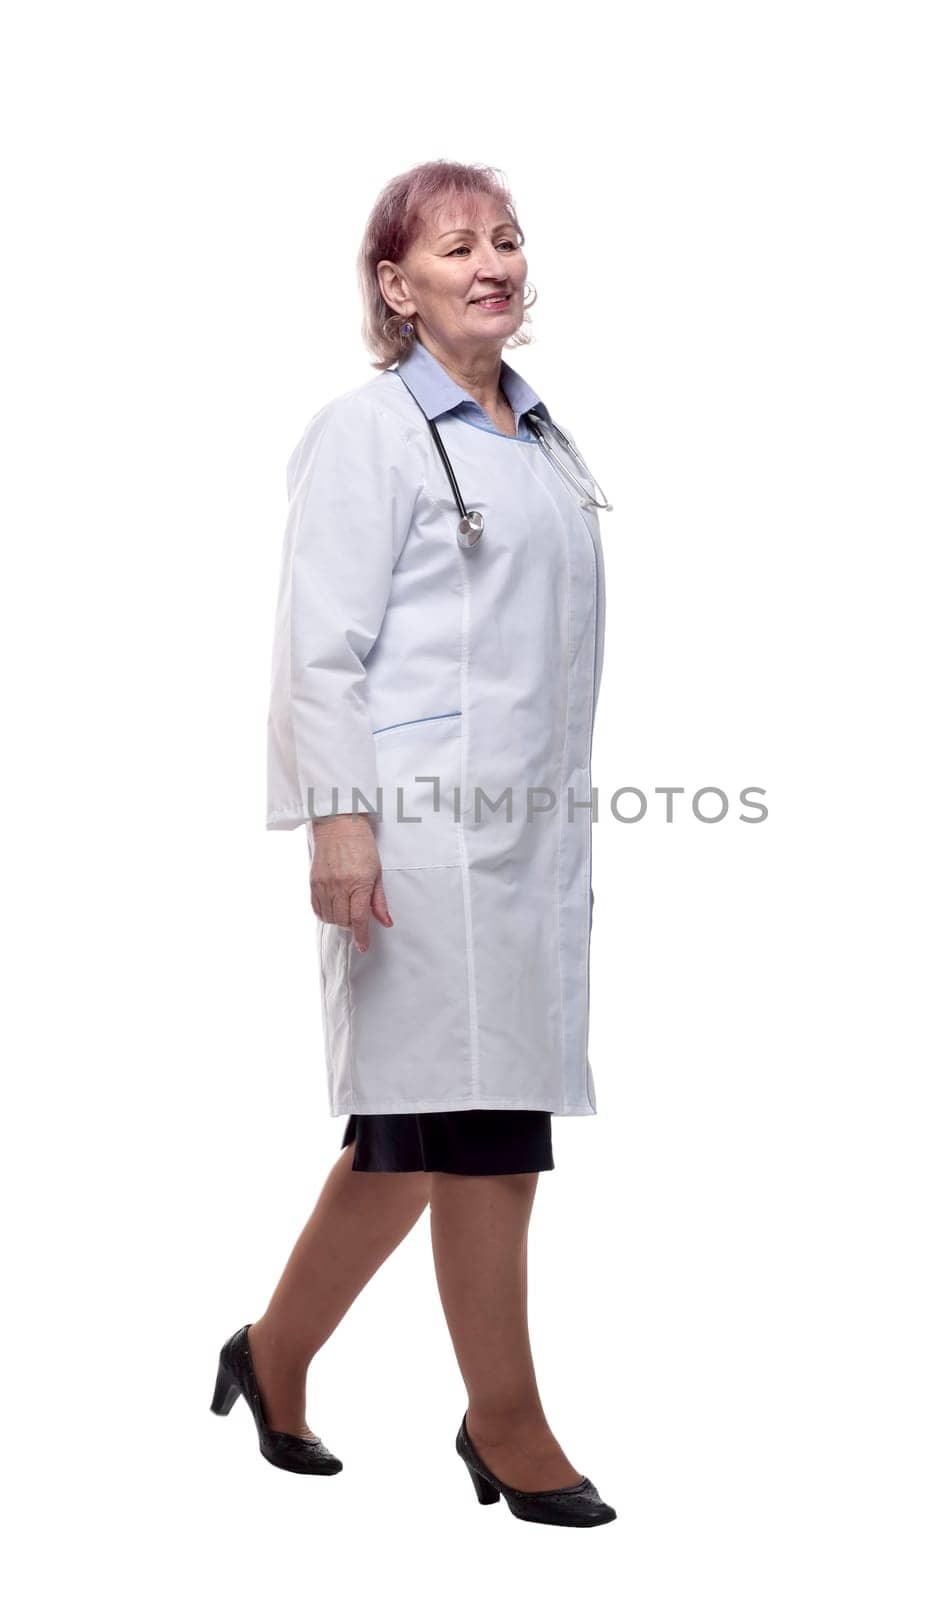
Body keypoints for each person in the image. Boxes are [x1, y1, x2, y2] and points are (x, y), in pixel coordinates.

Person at [210, 160, 615, 1529]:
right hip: (412, 836)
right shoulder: (368, 434)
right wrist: (337, 823)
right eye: (455, 247)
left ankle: (270, 1358)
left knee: (416, 1135)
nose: (491, 261)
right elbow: (316, 650)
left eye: (506, 240)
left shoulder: (541, 439)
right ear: (399, 287)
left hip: (524, 841)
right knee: (479, 1134)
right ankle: (506, 1423)